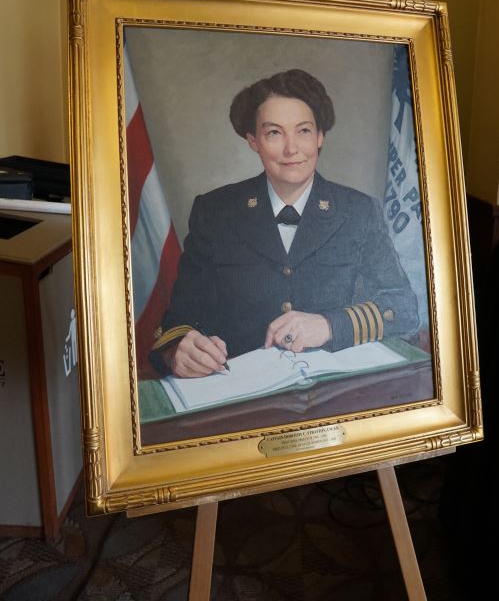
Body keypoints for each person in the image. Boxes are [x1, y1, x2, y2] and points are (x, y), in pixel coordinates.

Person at [149, 68, 418, 378]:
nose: (292, 149)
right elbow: (180, 320)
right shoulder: (215, 212)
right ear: (253, 141)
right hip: (243, 389)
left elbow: (403, 308)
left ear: (320, 136)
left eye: (303, 131)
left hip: (334, 389)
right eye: (274, 133)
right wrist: (178, 351)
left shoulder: (359, 211)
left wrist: (329, 325)